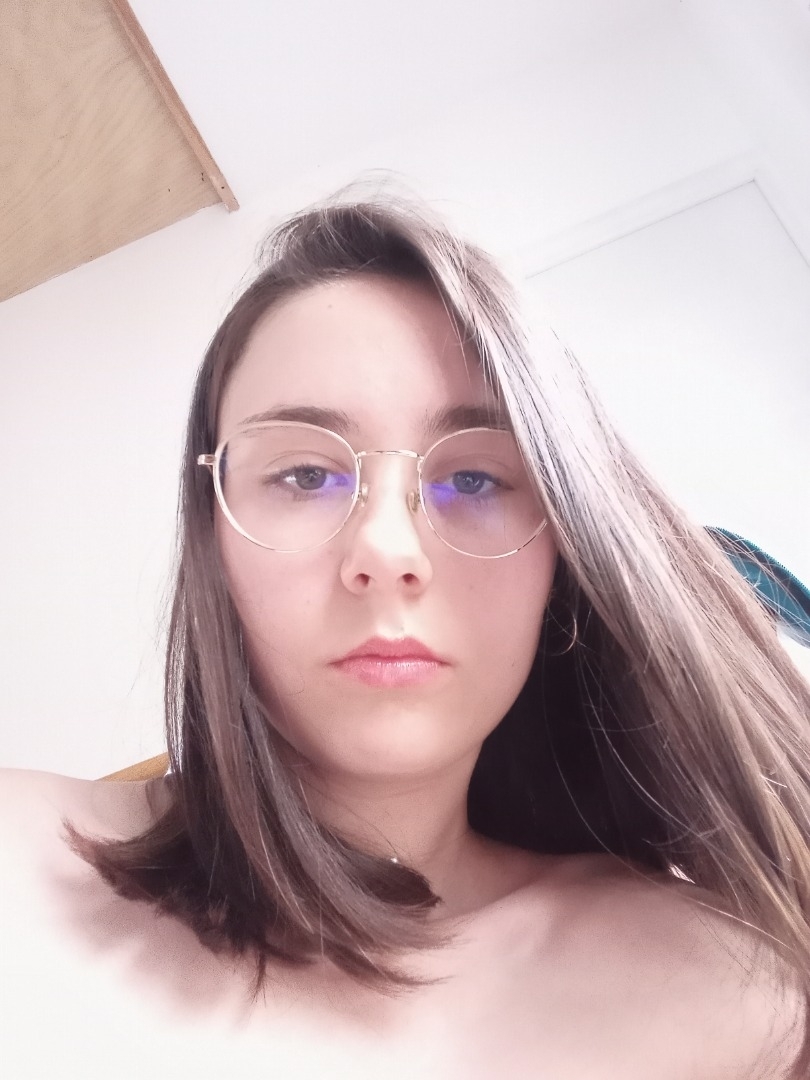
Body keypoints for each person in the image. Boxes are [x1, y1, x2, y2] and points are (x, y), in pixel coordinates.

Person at [2, 179, 809, 1079]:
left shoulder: (726, 989)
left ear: (564, 549)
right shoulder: (16, 868)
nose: (387, 552)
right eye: (305, 476)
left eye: (474, 480)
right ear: (211, 534)